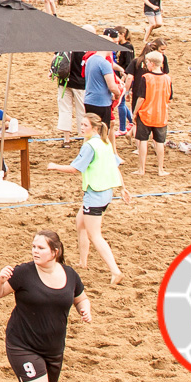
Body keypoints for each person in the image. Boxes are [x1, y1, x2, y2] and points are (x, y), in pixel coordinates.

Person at [0, 230, 91, 382]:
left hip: (53, 349)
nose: (35, 251)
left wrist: (85, 310)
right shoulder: (23, 273)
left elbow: (81, 298)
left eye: (41, 248)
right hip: (22, 345)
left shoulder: (69, 274)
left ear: (55, 252)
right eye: (33, 247)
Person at [47, 113, 127, 285]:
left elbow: (75, 168)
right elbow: (115, 165)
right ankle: (83, 262)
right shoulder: (104, 142)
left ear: (95, 127)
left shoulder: (91, 146)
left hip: (96, 194)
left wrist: (54, 166)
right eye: (81, 124)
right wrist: (123, 187)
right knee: (80, 223)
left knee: (95, 235)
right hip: (105, 191)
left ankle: (115, 271)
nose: (82, 127)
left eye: (85, 125)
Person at [132, 51, 172, 176]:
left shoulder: (146, 78)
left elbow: (141, 98)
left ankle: (141, 169)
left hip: (146, 113)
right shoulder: (167, 78)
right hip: (161, 114)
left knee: (143, 140)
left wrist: (135, 113)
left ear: (152, 63)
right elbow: (170, 97)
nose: (146, 64)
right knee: (159, 142)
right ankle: (160, 169)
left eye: (147, 62)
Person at [81, 39, 116, 126]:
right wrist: (118, 94)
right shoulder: (104, 63)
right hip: (101, 102)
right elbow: (112, 87)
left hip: (89, 100)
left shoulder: (90, 59)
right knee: (102, 131)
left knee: (90, 129)